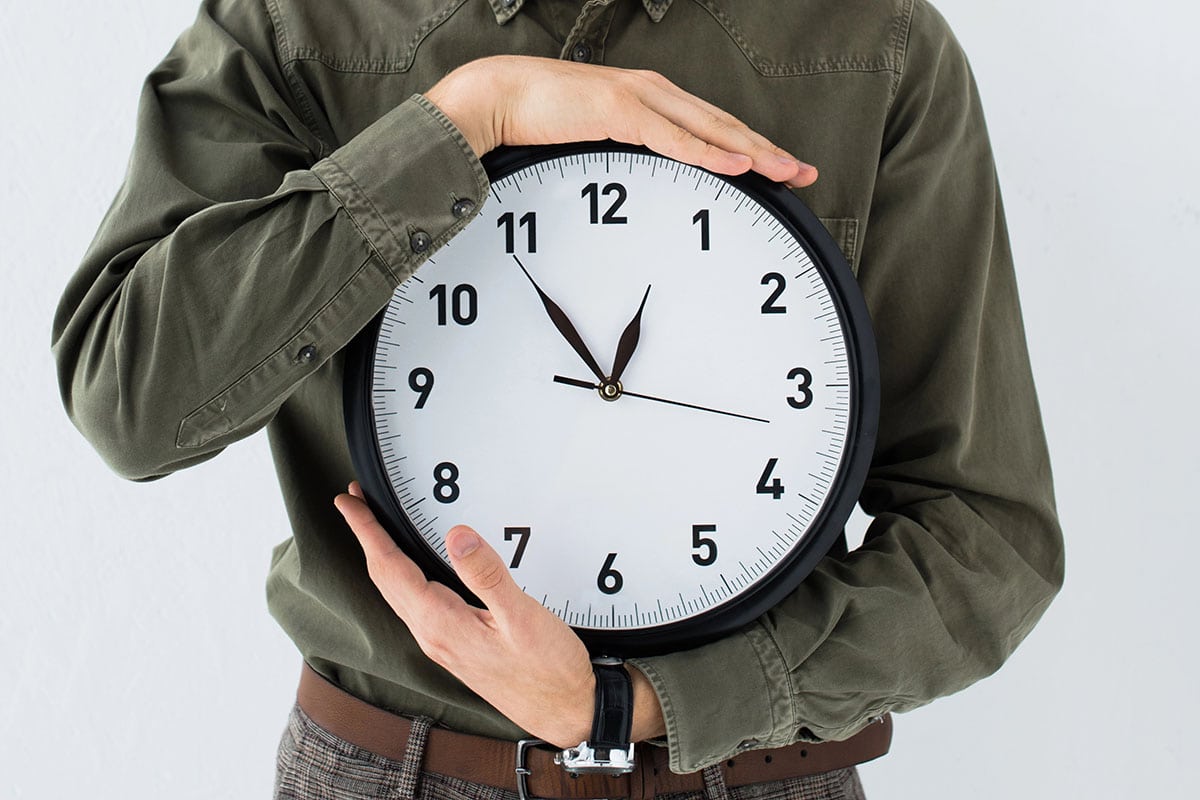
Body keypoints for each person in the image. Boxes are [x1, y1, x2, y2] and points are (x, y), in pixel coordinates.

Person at [51, 1, 1064, 798]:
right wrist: (460, 121)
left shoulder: (870, 39)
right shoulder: (301, 23)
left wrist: (636, 705)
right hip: (387, 766)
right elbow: (131, 400)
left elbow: (986, 539)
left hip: (752, 779)